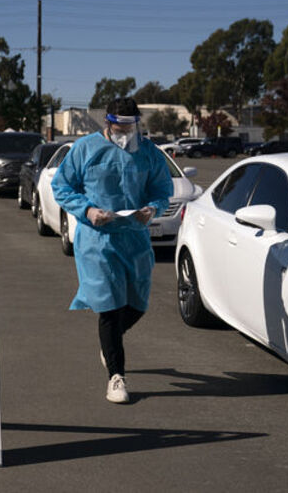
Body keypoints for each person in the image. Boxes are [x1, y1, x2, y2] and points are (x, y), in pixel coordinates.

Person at [51, 97, 173, 403]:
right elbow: (62, 186)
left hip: (134, 238)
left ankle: (110, 344)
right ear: (107, 122)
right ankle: (116, 377)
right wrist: (88, 210)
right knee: (109, 305)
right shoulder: (85, 149)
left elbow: (162, 190)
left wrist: (153, 209)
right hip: (98, 240)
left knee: (137, 304)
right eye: (120, 127)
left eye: (131, 127)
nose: (125, 133)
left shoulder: (147, 153)